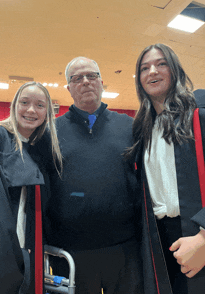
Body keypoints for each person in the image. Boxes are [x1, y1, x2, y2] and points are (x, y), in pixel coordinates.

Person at [35, 57, 144, 294]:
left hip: (125, 249)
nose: (85, 82)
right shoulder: (50, 132)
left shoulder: (129, 126)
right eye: (77, 78)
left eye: (91, 76)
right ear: (69, 88)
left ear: (102, 82)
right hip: (71, 252)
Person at [125, 43, 205, 294]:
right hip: (161, 237)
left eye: (161, 64)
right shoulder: (143, 130)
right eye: (144, 67)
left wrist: (204, 238)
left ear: (175, 71)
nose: (152, 72)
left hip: (195, 230)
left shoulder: (198, 115)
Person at [0, 81, 62, 294]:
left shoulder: (38, 149)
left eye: (39, 105)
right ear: (14, 105)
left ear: (47, 113)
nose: (30, 110)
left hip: (26, 249)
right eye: (24, 102)